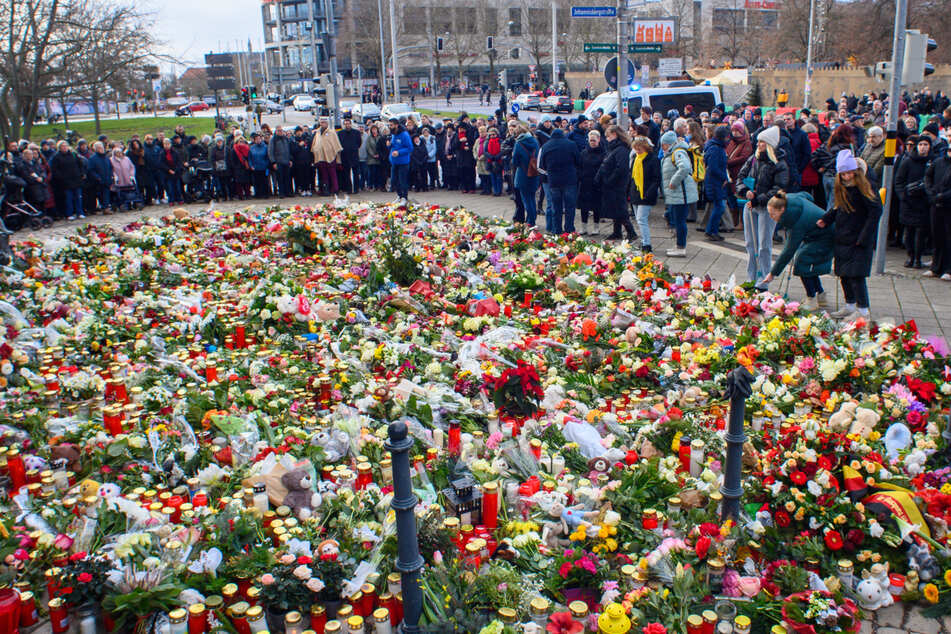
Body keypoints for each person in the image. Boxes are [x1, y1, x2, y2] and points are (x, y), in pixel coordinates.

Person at [817, 151, 881, 320]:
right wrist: (826, 219)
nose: (846, 177)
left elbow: (875, 213)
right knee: (843, 274)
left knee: (857, 276)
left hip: (859, 238)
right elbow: (837, 207)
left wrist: (865, 237)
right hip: (843, 236)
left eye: (849, 173)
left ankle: (863, 310)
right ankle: (850, 305)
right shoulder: (842, 187)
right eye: (843, 174)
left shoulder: (866, 186)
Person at [760, 190, 835, 310]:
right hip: (817, 233)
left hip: (826, 236)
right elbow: (807, 196)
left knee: (802, 261)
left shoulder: (796, 222)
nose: (771, 217)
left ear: (782, 210)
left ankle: (811, 298)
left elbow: (789, 250)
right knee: (808, 262)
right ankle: (821, 295)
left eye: (773, 214)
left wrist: (773, 273)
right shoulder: (789, 198)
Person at [736, 125, 791, 288]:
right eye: (758, 141)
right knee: (750, 243)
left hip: (767, 207)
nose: (758, 144)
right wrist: (744, 190)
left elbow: (778, 188)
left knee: (764, 245)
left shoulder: (779, 164)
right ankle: (751, 276)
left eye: (762, 142)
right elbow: (741, 176)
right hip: (750, 205)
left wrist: (759, 198)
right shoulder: (753, 158)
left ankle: (763, 280)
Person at [895, 135, 933, 269]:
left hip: (924, 203)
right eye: (921, 144)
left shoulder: (932, 161)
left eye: (926, 145)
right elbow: (899, 181)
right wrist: (903, 196)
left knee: (921, 233)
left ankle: (917, 258)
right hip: (909, 202)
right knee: (909, 232)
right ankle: (910, 256)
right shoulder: (908, 161)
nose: (923, 147)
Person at [660, 130, 698, 257]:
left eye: (664, 144)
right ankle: (678, 245)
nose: (662, 147)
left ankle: (681, 247)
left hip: (681, 193)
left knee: (680, 221)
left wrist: (673, 182)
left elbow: (685, 168)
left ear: (669, 144)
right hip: (676, 194)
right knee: (677, 219)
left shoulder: (678, 152)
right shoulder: (672, 153)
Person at [595, 125, 636, 241]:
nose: (607, 139)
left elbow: (621, 168)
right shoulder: (615, 148)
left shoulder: (621, 149)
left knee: (620, 209)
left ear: (615, 135)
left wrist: (610, 180)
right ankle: (617, 232)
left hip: (617, 184)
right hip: (613, 184)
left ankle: (631, 231)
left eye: (608, 136)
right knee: (615, 208)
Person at [539, 125, 581, 234]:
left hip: (553, 181)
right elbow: (578, 161)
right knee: (569, 207)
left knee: (556, 207)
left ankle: (556, 230)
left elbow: (542, 165)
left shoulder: (546, 146)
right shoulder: (571, 145)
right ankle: (569, 229)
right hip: (569, 180)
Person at [925, 136, 951, 280]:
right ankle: (936, 267)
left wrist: (944, 195)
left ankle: (948, 268)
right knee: (937, 235)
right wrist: (931, 193)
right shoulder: (938, 162)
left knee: (948, 238)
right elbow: (928, 177)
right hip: (936, 204)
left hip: (948, 205)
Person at [628, 135, 660, 252]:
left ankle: (647, 244)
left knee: (641, 219)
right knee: (638, 219)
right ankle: (644, 241)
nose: (637, 150)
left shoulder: (653, 159)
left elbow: (656, 179)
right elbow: (632, 177)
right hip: (636, 193)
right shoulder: (636, 159)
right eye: (635, 148)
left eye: (639, 148)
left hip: (646, 194)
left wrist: (649, 192)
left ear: (645, 147)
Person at [703, 126, 730, 242]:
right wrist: (724, 177)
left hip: (714, 182)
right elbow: (713, 167)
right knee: (719, 207)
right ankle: (711, 231)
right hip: (715, 183)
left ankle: (712, 231)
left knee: (718, 206)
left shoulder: (714, 147)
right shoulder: (716, 149)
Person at [577, 130, 606, 237]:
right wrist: (580, 176)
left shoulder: (603, 153)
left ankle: (596, 227)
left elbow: (604, 168)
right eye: (590, 140)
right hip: (585, 183)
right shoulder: (584, 152)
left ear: (598, 140)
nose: (592, 142)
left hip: (597, 184)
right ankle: (583, 227)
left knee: (596, 206)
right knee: (584, 206)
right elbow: (579, 166)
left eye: (594, 140)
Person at [512, 124, 540, 226]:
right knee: (532, 198)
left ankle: (530, 222)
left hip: (523, 175)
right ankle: (532, 219)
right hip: (534, 173)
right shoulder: (535, 141)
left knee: (526, 200)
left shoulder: (518, 144)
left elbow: (514, 161)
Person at [312, 117, 343, 196]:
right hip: (321, 157)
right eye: (321, 122)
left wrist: (336, 156)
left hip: (330, 157)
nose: (323, 124)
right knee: (324, 175)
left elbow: (336, 144)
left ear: (327, 123)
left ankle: (335, 189)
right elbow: (315, 144)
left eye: (324, 122)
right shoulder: (317, 133)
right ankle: (326, 190)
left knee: (332, 173)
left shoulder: (331, 132)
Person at [387, 118, 412, 203]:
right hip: (394, 162)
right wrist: (389, 145)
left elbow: (410, 148)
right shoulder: (393, 134)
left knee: (402, 180)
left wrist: (399, 152)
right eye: (389, 125)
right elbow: (394, 146)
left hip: (403, 162)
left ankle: (404, 197)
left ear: (396, 125)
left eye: (391, 125)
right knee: (394, 180)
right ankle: (399, 195)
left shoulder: (404, 134)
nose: (390, 127)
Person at [87, 141, 114, 213]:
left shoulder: (106, 157)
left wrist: (111, 175)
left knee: (106, 194)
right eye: (99, 148)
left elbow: (110, 167)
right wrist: (97, 177)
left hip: (107, 178)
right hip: (98, 180)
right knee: (101, 194)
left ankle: (106, 207)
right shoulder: (92, 159)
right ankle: (104, 207)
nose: (101, 149)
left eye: (102, 148)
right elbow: (91, 170)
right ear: (96, 149)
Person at [338, 118, 363, 194]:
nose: (347, 125)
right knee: (346, 174)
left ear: (351, 124)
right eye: (345, 124)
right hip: (344, 156)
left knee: (356, 173)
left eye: (348, 124)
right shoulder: (340, 133)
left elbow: (359, 143)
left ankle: (356, 188)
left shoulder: (356, 133)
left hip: (354, 156)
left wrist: (354, 148)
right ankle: (348, 189)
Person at [267, 127, 293, 197]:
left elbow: (289, 150)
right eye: (279, 131)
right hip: (278, 162)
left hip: (286, 161)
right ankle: (281, 193)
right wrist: (273, 162)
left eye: (281, 130)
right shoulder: (273, 140)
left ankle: (288, 192)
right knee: (280, 178)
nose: (280, 132)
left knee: (287, 178)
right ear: (276, 131)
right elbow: (270, 152)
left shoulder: (286, 139)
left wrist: (290, 159)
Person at [452, 124, 475, 194]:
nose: (460, 130)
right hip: (460, 157)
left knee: (470, 173)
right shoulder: (456, 135)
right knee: (462, 173)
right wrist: (460, 141)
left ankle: (471, 187)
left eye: (461, 129)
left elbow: (473, 143)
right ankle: (464, 187)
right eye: (459, 129)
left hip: (468, 157)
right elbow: (454, 145)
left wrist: (469, 147)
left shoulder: (469, 134)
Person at [162, 138, 185, 204]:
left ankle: (179, 199)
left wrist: (175, 170)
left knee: (178, 187)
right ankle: (171, 200)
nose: (167, 145)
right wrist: (168, 170)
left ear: (170, 144)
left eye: (168, 144)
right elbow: (161, 164)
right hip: (167, 173)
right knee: (170, 188)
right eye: (165, 144)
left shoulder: (175, 152)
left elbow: (179, 162)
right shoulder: (162, 153)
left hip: (176, 172)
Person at [229, 134, 252, 200]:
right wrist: (236, 167)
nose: (241, 143)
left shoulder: (247, 148)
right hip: (238, 168)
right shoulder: (234, 150)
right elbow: (232, 160)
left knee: (247, 182)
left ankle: (248, 194)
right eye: (240, 141)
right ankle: (240, 195)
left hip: (246, 167)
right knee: (239, 183)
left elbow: (248, 157)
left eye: (242, 142)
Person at [248, 133, 270, 198]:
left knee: (264, 181)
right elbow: (250, 158)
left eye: (259, 139)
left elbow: (268, 157)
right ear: (254, 140)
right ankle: (258, 194)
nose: (258, 140)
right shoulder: (252, 148)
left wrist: (266, 165)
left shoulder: (265, 147)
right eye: (256, 139)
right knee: (256, 182)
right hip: (255, 167)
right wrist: (251, 165)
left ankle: (265, 194)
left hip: (263, 167)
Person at [209, 135, 231, 201]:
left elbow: (229, 158)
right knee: (218, 184)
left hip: (226, 168)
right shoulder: (213, 149)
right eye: (218, 141)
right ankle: (220, 196)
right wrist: (214, 166)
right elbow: (212, 159)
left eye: (220, 141)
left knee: (226, 183)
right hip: (217, 169)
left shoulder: (226, 148)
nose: (219, 143)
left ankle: (227, 196)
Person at [484, 128, 503, 196]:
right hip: (490, 161)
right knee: (493, 177)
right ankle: (495, 191)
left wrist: (497, 156)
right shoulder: (487, 142)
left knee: (499, 177)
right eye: (490, 135)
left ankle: (499, 191)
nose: (492, 136)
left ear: (497, 134)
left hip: (498, 161)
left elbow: (502, 150)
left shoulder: (500, 141)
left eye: (493, 134)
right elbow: (485, 151)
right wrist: (490, 156)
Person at [363, 125, 382, 191]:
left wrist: (379, 154)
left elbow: (382, 146)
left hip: (379, 158)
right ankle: (371, 185)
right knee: (371, 173)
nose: (374, 131)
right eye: (373, 129)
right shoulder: (369, 138)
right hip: (371, 158)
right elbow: (368, 147)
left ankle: (378, 186)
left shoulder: (380, 137)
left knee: (378, 173)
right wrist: (373, 155)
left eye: (375, 129)